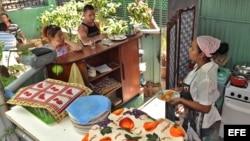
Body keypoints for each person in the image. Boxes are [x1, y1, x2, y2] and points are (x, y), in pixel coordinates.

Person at [168, 35, 229, 141]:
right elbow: (195, 86)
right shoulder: (201, 65)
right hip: (191, 115)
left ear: (202, 54)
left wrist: (181, 99)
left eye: (192, 48)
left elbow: (205, 108)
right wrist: (182, 90)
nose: (189, 49)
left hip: (201, 121)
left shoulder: (206, 77)